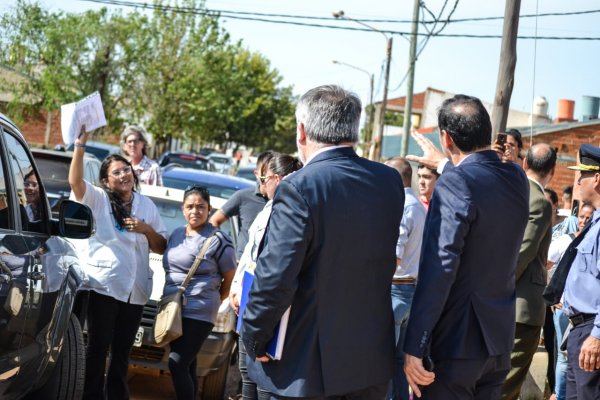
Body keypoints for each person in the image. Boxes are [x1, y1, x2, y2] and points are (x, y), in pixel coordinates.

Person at [241, 85, 405, 399]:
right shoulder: (389, 181)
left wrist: (254, 337)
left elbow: (275, 278)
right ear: (354, 130)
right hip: (368, 365)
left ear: (301, 132)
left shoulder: (298, 188)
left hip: (305, 368)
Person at [403, 95, 529, 399]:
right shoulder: (517, 178)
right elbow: (480, 182)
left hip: (457, 342)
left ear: (446, 138)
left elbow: (440, 266)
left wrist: (415, 344)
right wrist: (447, 166)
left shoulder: (456, 182)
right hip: (498, 339)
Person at [69, 129, 167, 400]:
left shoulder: (147, 206)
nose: (124, 175)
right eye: (117, 172)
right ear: (106, 181)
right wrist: (80, 145)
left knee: (122, 351)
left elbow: (161, 246)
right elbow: (75, 182)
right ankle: (91, 396)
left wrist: (146, 229)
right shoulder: (99, 200)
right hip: (105, 288)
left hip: (136, 291)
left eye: (127, 170)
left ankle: (117, 396)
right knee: (98, 348)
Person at [229, 153, 303, 400]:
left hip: (266, 305)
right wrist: (237, 288)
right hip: (248, 299)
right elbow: (250, 254)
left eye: (264, 178)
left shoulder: (288, 212)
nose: (261, 184)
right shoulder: (268, 208)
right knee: (246, 371)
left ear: (278, 178)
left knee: (262, 375)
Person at [163, 185, 236, 399]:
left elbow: (230, 277)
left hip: (200, 311)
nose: (195, 211)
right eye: (190, 206)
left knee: (177, 363)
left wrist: (214, 298)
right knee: (188, 365)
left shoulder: (218, 240)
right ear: (182, 209)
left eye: (200, 207)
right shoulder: (176, 234)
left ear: (209, 209)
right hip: (174, 309)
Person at [501, 144, 556, 400]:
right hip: (520, 308)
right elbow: (523, 253)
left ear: (525, 164)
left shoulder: (511, 193)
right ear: (553, 172)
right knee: (506, 386)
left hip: (505, 303)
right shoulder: (539, 203)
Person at [559, 144, 600, 399]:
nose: (577, 181)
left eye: (582, 175)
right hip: (579, 330)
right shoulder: (594, 222)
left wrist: (597, 336)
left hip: (590, 331)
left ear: (597, 179)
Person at [384, 157, 426, 400]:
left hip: (396, 291)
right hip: (411, 291)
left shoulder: (402, 205)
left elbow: (394, 257)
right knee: (399, 362)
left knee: (386, 363)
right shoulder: (417, 206)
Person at [547, 202, 595, 400]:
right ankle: (559, 394)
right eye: (581, 217)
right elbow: (546, 264)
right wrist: (552, 292)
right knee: (563, 356)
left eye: (588, 218)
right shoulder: (566, 240)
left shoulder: (593, 239)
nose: (583, 221)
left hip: (587, 316)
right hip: (564, 310)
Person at [209, 151, 274, 260]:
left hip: (268, 267)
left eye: (272, 174)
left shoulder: (281, 201)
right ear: (257, 174)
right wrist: (223, 250)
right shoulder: (243, 196)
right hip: (243, 265)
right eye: (265, 173)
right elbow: (214, 221)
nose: (268, 178)